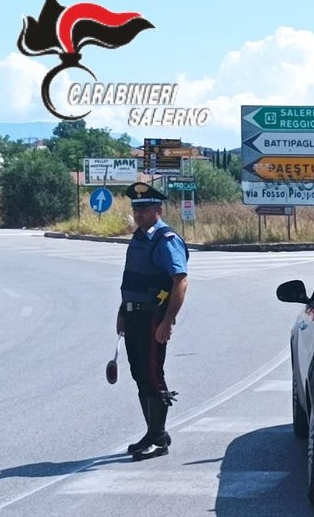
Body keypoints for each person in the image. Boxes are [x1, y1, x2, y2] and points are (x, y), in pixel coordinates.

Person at [116, 182, 189, 461]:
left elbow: (180, 280)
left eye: (145, 210)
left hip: (152, 319)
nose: (139, 214)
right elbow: (132, 278)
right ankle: (153, 432)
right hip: (133, 316)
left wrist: (167, 320)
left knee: (153, 375)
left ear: (158, 210)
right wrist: (122, 312)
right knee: (140, 376)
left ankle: (158, 439)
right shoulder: (138, 238)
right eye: (136, 209)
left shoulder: (166, 240)